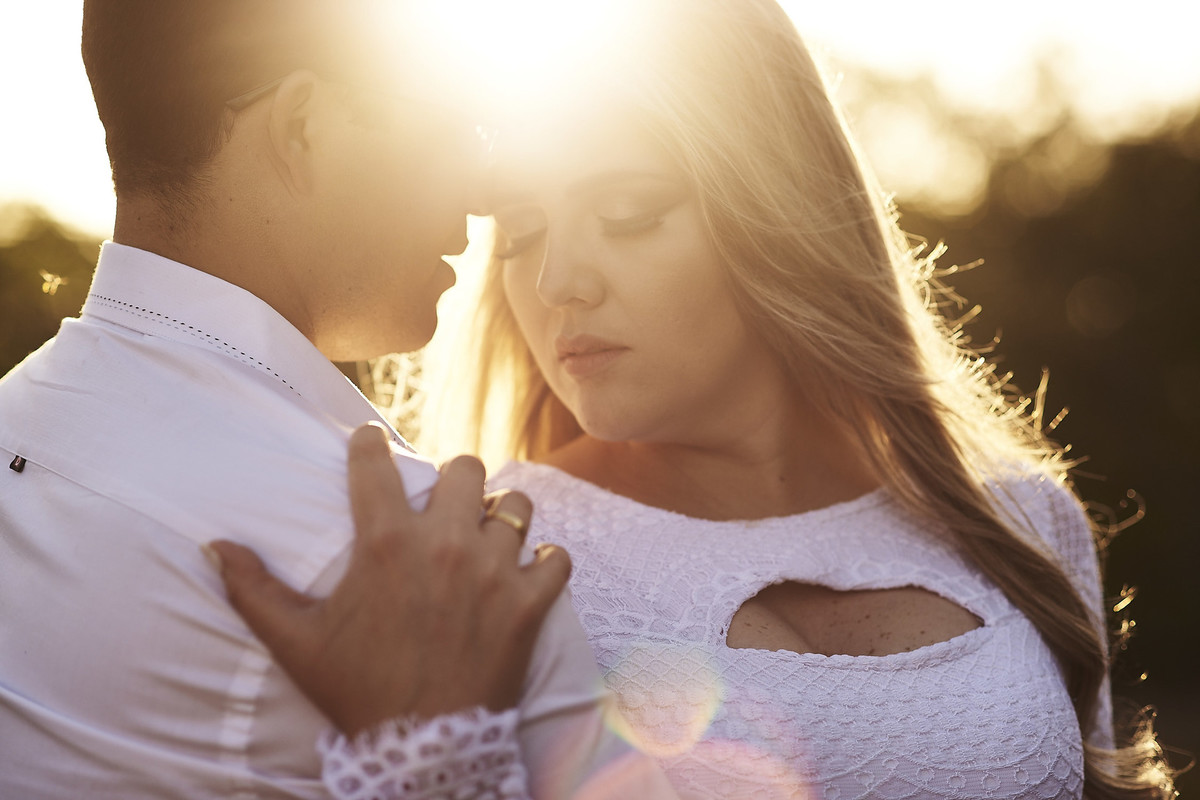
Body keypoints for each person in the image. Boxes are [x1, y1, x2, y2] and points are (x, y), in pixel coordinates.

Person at [227, 0, 1177, 797]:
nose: (557, 280)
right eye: (519, 232)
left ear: (777, 206)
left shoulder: (1022, 524)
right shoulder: (490, 553)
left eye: (629, 214)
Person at [0, 2, 676, 798]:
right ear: (304, 126)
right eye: (464, 127)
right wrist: (440, 763)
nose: (485, 191)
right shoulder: (430, 565)